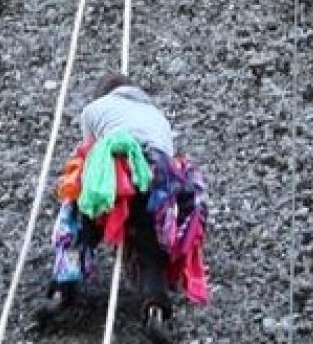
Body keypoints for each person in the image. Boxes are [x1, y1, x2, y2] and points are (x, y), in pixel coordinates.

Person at [35, 72, 209, 344]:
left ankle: (61, 292)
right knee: (149, 245)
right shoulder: (158, 117)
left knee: (80, 226)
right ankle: (155, 311)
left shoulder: (94, 109)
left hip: (115, 174)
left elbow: (91, 154)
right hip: (153, 176)